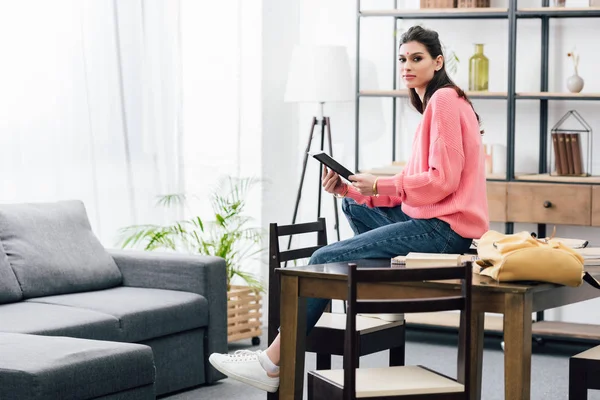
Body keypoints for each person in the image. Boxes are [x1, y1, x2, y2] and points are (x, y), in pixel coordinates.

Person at [208, 25, 489, 393]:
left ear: (438, 62)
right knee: (353, 207)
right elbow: (416, 184)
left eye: (417, 58)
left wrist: (381, 184)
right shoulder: (436, 104)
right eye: (402, 59)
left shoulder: (444, 101)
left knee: (324, 256)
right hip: (433, 220)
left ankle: (271, 361)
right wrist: (355, 189)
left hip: (445, 230)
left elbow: (442, 181)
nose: (407, 66)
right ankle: (373, 278)